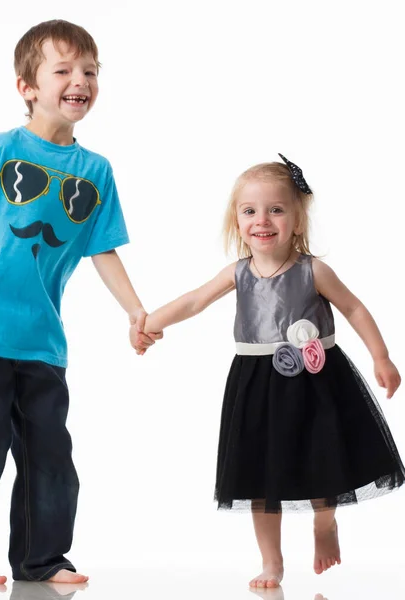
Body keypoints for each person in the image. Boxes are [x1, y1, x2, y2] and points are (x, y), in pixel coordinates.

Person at [0, 19, 160, 586]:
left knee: (49, 454)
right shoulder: (0, 149)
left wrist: (135, 309)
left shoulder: (96, 171)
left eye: (90, 71)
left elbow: (101, 250)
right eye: (63, 70)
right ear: (26, 87)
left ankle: (41, 558)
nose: (79, 80)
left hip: (41, 339)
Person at [140, 155, 404, 588]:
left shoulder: (312, 270)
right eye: (250, 211)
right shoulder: (238, 273)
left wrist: (381, 356)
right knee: (259, 475)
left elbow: (354, 307)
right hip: (256, 385)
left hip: (317, 383)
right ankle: (272, 562)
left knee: (324, 460)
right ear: (237, 221)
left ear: (297, 220)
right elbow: (193, 301)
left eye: (276, 210)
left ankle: (324, 523)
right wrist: (149, 323)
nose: (262, 220)